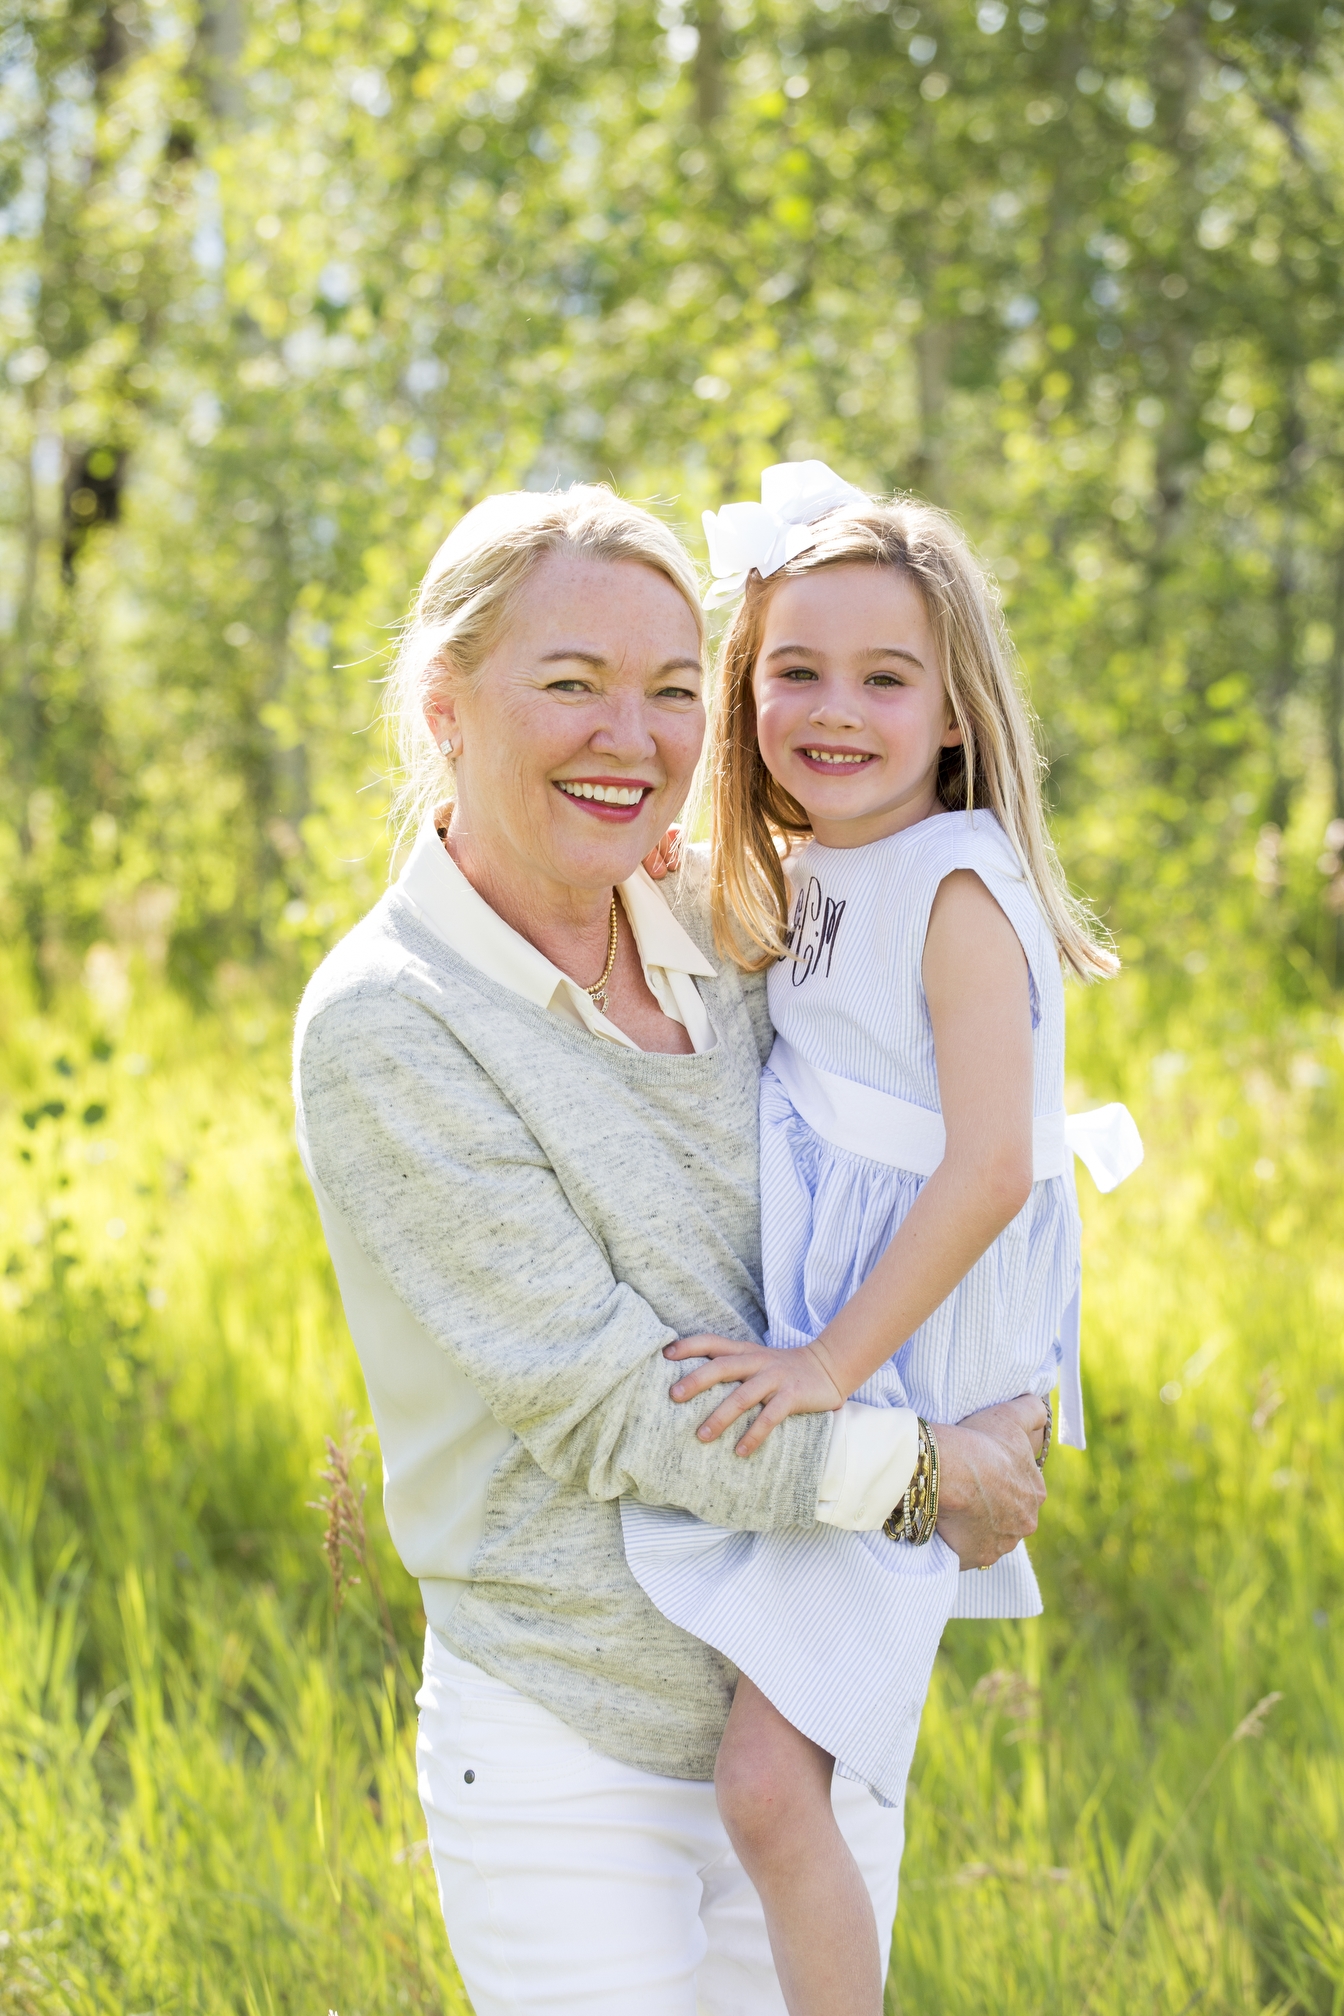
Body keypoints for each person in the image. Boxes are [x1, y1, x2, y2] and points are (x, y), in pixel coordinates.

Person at [292, 481, 1051, 2016]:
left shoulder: (731, 919)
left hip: (804, 1692)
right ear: (445, 704)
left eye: (669, 691)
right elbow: (614, 1406)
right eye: (570, 684)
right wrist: (929, 1472)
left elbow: (941, 1135)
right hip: (578, 1736)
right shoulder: (392, 1022)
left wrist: (1018, 1373)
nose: (629, 739)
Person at [623, 464, 1141, 2016]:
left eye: (884, 678)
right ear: (746, 688)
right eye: (795, 670)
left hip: (909, 1362)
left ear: (957, 711)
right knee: (785, 1784)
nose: (833, 710)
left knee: (777, 1792)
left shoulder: (961, 885)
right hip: (850, 1344)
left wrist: (827, 1373)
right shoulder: (822, 865)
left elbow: (987, 1169)